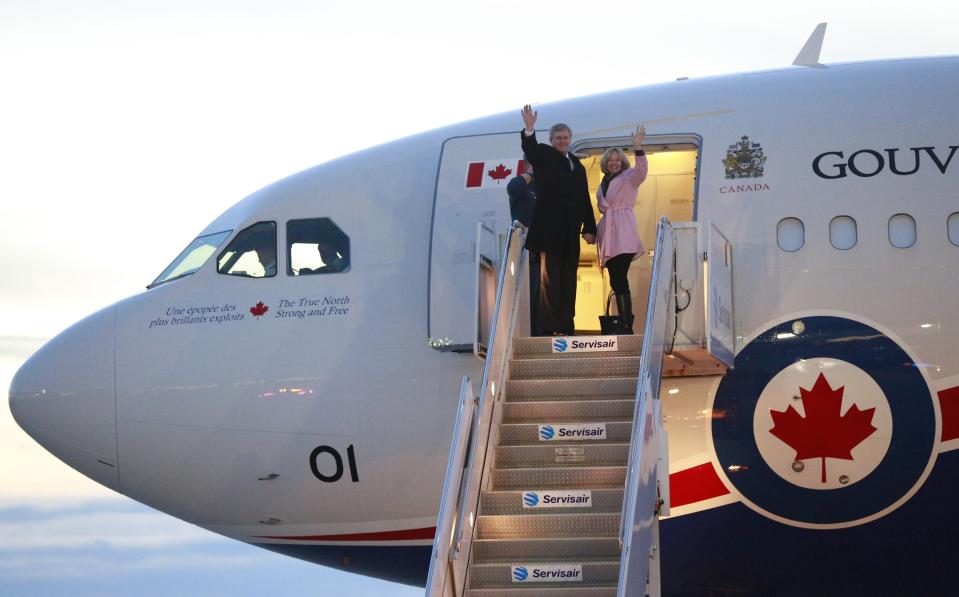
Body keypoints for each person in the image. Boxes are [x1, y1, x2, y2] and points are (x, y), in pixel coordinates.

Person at [520, 104, 596, 336]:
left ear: (570, 139)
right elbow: (530, 149)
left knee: (568, 281)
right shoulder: (544, 155)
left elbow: (584, 197)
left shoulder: (578, 165)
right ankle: (547, 327)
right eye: (558, 138)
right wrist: (529, 128)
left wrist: (590, 226)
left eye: (565, 137)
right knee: (549, 281)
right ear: (552, 140)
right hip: (548, 231)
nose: (562, 141)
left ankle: (566, 326)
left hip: (570, 233)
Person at [595, 126, 648, 334]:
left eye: (618, 159)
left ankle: (627, 325)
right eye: (611, 159)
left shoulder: (629, 177)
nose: (614, 162)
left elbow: (642, 171)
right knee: (616, 281)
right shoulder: (603, 183)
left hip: (623, 232)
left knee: (619, 279)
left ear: (623, 162)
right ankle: (625, 323)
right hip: (609, 234)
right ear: (606, 163)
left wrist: (638, 148)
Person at [506, 161, 540, 334]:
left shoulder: (545, 185)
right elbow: (512, 188)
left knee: (538, 291)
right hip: (524, 247)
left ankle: (538, 329)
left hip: (541, 246)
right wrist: (529, 175)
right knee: (526, 289)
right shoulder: (522, 183)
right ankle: (527, 330)